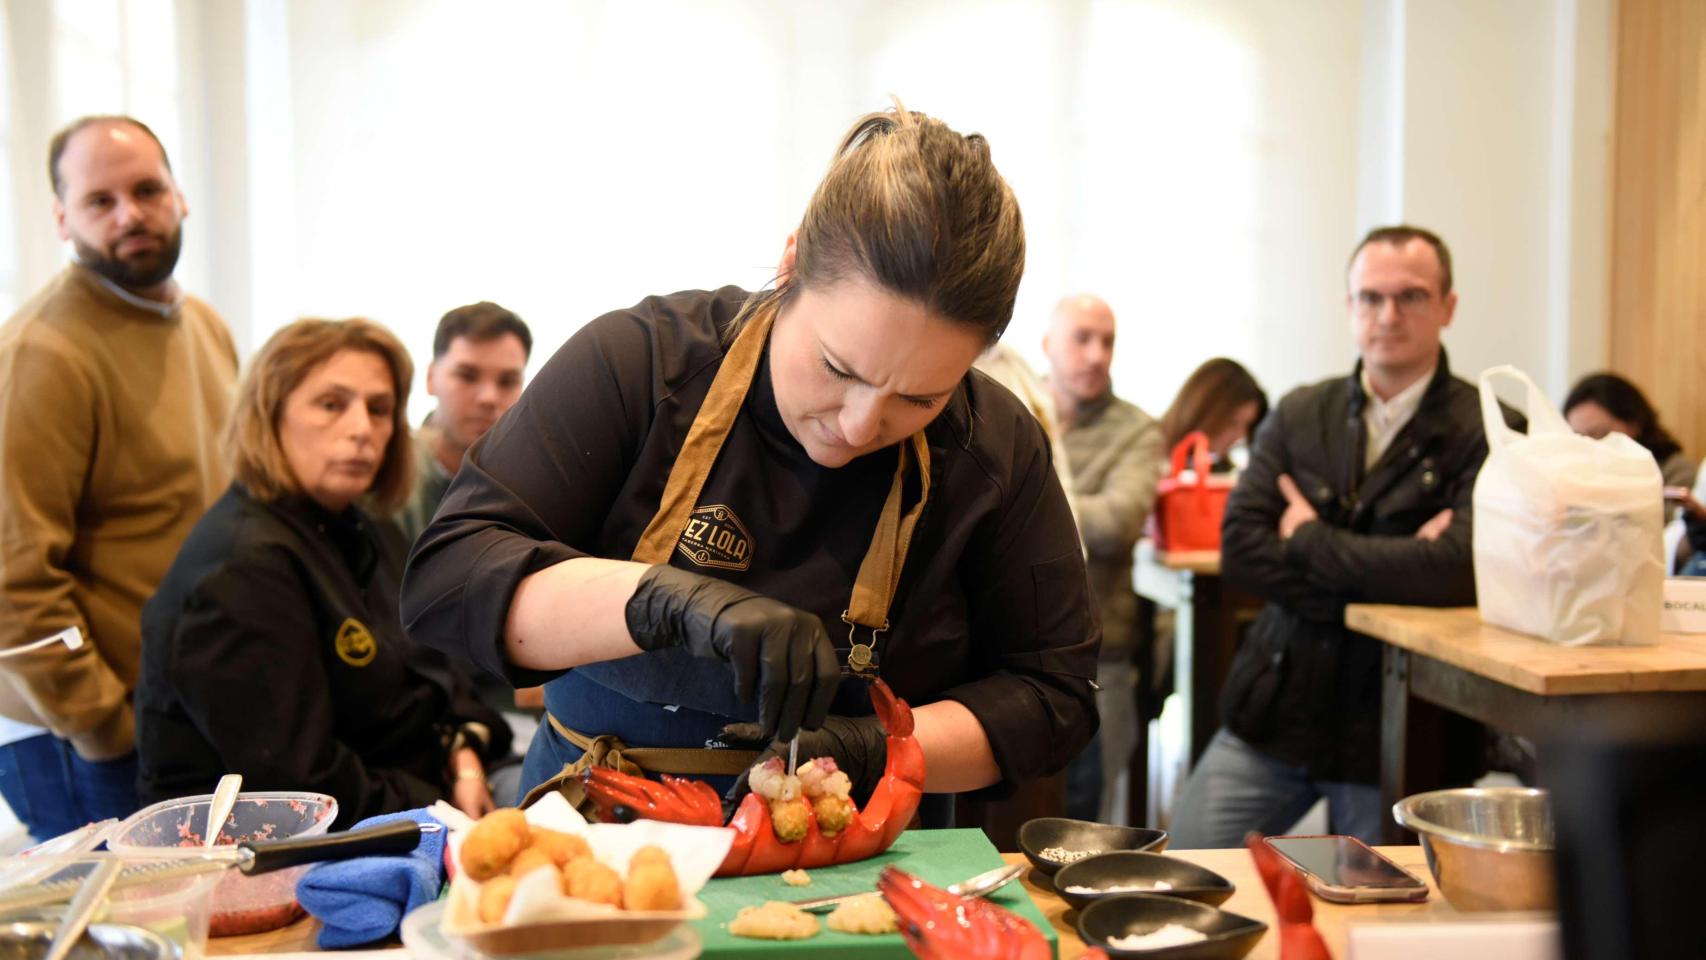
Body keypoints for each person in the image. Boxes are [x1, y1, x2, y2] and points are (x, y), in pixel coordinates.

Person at [402, 103, 1098, 823]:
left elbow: (1055, 695)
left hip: (853, 843)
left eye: (918, 398)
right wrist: (663, 603)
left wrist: (875, 748)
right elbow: (446, 585)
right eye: (838, 367)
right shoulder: (639, 365)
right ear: (792, 264)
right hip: (597, 831)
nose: (860, 426)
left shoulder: (993, 445)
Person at [1171, 225, 1495, 848]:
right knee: (1185, 862)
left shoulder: (1486, 429)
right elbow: (1241, 549)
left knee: (1380, 921)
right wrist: (1398, 571)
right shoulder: (1300, 413)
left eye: (1412, 296)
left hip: (1400, 727)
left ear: (1448, 307)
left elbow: (1459, 571)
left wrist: (1310, 540)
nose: (1388, 315)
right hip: (1276, 704)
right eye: (1370, 297)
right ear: (1349, 308)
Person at [136, 319, 510, 829]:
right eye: (332, 404)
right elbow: (305, 788)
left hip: (418, 787)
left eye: (379, 409)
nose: (362, 429)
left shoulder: (362, 525)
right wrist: (445, 805)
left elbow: (434, 667)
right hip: (263, 856)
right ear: (271, 415)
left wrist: (465, 760)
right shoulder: (241, 567)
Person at [0, 116, 237, 840]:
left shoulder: (202, 324)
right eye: (100, 201)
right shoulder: (42, 354)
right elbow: (15, 582)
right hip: (87, 738)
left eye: (146, 189)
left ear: (180, 196)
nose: (129, 214)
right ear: (63, 217)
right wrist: (101, 721)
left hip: (182, 714)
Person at [1041, 294, 1164, 825]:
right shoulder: (1018, 411)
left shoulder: (1136, 430)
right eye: (1082, 338)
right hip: (1012, 646)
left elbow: (1118, 523)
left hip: (1099, 655)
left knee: (1090, 816)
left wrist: (1028, 502)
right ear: (1048, 346)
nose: (1096, 354)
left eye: (1107, 341)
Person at [395, 302, 533, 543]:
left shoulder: (534, 489)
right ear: (430, 378)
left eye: (507, 381)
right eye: (467, 376)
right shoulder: (385, 476)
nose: (488, 397)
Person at [1563, 372, 1696, 523]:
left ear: (1635, 424)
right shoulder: (1574, 478)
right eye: (1579, 438)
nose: (1589, 447)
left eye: (1599, 434)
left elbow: (1672, 537)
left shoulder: (1676, 473)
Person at [1159, 358, 1269, 467]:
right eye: (1232, 422)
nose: (1241, 435)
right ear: (1204, 411)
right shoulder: (1147, 457)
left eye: (1247, 426)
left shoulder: (1226, 476)